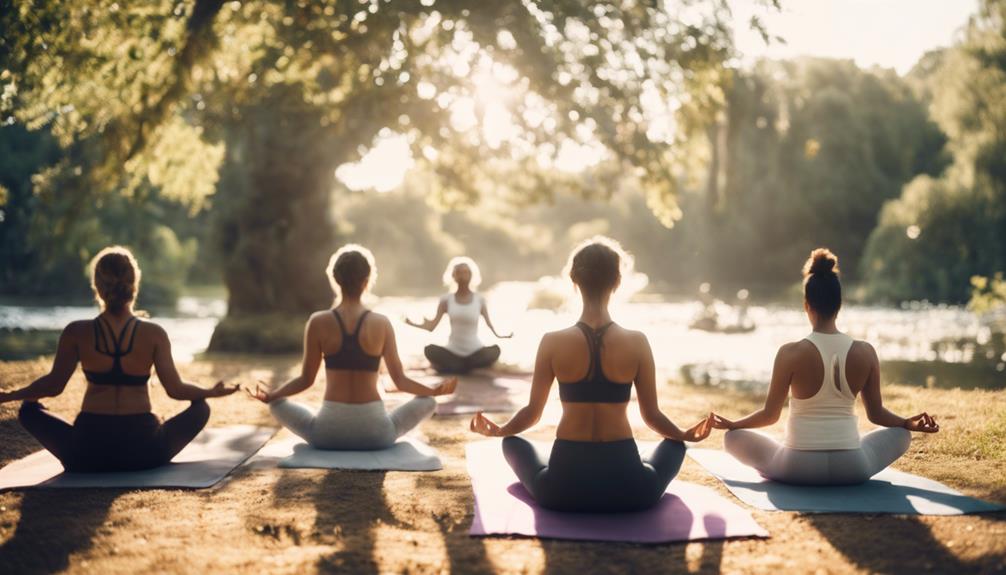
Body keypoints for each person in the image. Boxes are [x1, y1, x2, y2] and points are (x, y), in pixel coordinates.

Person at [469, 237, 714, 512]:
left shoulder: (552, 341)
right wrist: (683, 434)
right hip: (631, 490)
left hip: (561, 490)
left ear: (573, 281)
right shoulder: (638, 342)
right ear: (618, 282)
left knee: (512, 443)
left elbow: (532, 413)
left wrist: (500, 430)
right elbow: (652, 416)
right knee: (674, 446)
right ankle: (649, 457)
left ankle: (526, 450)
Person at [711, 248, 939, 485]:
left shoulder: (790, 353)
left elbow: (770, 416)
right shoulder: (865, 352)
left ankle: (776, 463)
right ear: (839, 304)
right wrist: (906, 423)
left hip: (797, 467)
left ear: (806, 305)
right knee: (902, 435)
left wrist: (734, 425)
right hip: (853, 467)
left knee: (732, 439)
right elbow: (877, 414)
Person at [0, 246, 238, 472]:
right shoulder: (154, 333)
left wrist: (12, 396)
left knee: (29, 410)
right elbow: (176, 389)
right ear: (134, 284)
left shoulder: (76, 332)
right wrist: (209, 392)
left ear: (97, 286)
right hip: (144, 451)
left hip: (86, 452)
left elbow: (53, 385)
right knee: (200, 407)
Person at [248, 244, 457, 450]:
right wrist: (433, 391)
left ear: (336, 280)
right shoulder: (381, 322)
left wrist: (273, 395)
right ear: (367, 282)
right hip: (377, 435)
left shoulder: (318, 321)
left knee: (277, 405)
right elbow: (400, 381)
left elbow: (306, 380)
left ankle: (286, 405)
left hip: (327, 434)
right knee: (428, 402)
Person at [406, 256, 512, 374]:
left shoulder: (479, 300)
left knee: (495, 351)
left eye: (466, 272)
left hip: (475, 351)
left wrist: (501, 335)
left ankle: (459, 367)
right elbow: (432, 327)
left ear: (472, 275)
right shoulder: (446, 300)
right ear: (453, 276)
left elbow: (489, 325)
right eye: (459, 273)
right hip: (452, 351)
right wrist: (412, 323)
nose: (462, 275)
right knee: (429, 349)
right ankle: (463, 367)